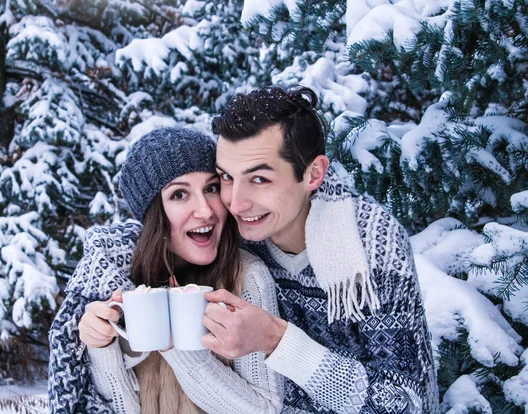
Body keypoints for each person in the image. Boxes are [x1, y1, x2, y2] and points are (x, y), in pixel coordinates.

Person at [201, 86, 439, 413]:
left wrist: (277, 340)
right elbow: (158, 229)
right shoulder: (236, 232)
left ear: (314, 173)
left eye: (259, 180)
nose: (236, 202)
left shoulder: (367, 240)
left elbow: (406, 404)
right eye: (226, 177)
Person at [47, 127, 284, 413]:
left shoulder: (246, 278)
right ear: (153, 214)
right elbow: (120, 407)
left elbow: (265, 409)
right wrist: (101, 347)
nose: (206, 211)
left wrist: (176, 346)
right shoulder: (122, 280)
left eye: (211, 188)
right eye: (179, 194)